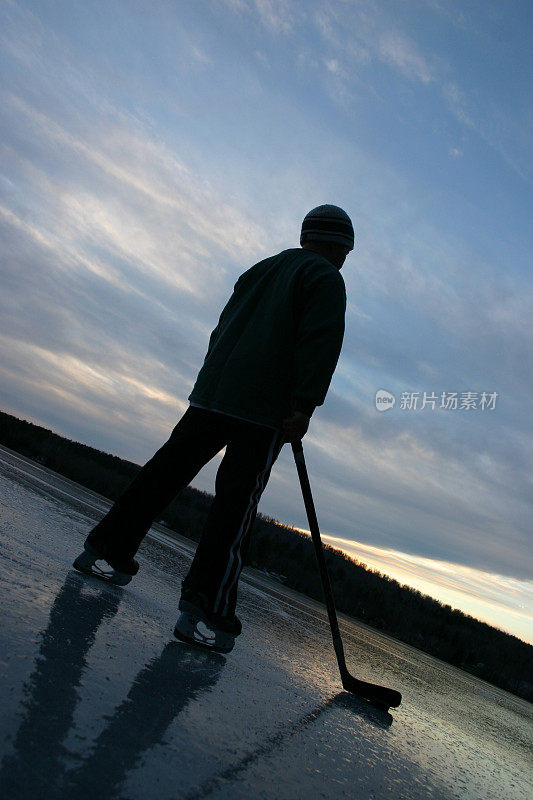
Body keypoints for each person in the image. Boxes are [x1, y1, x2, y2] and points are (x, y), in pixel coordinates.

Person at [73, 204, 354, 653]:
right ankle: (206, 609)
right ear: (338, 245)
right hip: (262, 411)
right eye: (346, 250)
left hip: (213, 394)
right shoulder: (325, 278)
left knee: (162, 475)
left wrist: (210, 383)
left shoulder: (260, 269)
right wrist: (304, 406)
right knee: (234, 507)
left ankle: (104, 549)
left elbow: (222, 328)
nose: (344, 260)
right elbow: (319, 343)